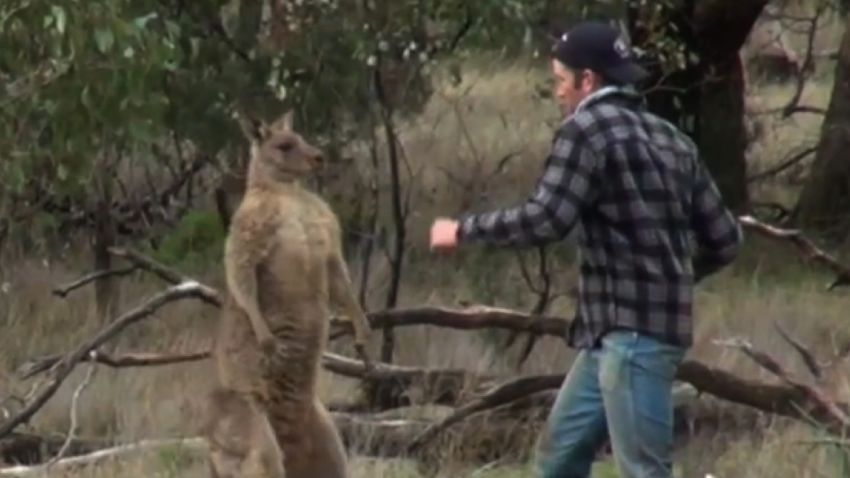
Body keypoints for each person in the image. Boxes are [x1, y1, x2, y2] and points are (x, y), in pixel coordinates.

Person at [429, 20, 742, 478]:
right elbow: (726, 239)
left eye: (560, 80)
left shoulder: (585, 130)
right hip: (610, 337)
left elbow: (546, 218)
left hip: (633, 340)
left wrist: (462, 231)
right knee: (558, 460)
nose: (558, 92)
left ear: (588, 80)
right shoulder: (672, 140)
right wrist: (674, 276)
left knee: (643, 470)